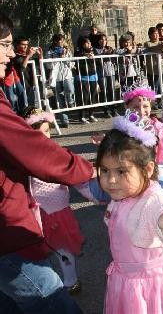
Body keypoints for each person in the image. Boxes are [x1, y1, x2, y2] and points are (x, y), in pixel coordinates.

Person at [0, 12, 94, 313]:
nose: (11, 53)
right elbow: (30, 149)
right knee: (54, 303)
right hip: (7, 237)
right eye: (4, 44)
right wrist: (89, 170)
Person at [97, 113, 163, 313]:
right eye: (104, 171)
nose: (110, 180)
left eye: (121, 172)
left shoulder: (155, 199)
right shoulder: (122, 193)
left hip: (155, 286)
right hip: (127, 281)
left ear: (147, 169)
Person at [23, 108, 100, 295]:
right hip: (35, 212)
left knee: (63, 248)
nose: (44, 136)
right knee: (40, 251)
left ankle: (71, 281)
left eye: (47, 131)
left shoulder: (55, 154)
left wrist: (93, 195)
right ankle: (46, 281)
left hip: (58, 211)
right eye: (37, 132)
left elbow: (73, 176)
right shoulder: (23, 156)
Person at [122, 79, 163, 163]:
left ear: (151, 107)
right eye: (135, 107)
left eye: (145, 106)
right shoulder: (122, 129)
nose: (141, 112)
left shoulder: (161, 130)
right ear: (126, 107)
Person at [45, 33, 75, 127]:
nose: (61, 42)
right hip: (56, 78)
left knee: (70, 89)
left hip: (67, 75)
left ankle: (70, 101)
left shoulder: (66, 50)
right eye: (59, 40)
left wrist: (65, 57)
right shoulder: (49, 52)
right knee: (60, 99)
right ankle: (64, 121)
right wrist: (57, 58)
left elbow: (71, 63)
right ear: (55, 42)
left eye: (62, 40)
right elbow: (48, 66)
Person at [74, 37, 99, 123]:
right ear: (82, 44)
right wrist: (85, 55)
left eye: (90, 43)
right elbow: (77, 58)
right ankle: (81, 116)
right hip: (83, 76)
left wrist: (93, 55)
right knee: (84, 96)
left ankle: (91, 114)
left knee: (93, 95)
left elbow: (98, 58)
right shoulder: (78, 51)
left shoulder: (93, 50)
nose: (89, 44)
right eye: (87, 43)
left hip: (92, 75)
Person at [142, 26, 163, 93]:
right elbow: (151, 48)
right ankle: (156, 102)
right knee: (155, 88)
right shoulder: (147, 43)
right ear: (150, 35)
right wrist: (160, 47)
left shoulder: (162, 42)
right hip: (154, 70)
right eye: (154, 33)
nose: (157, 35)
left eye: (157, 33)